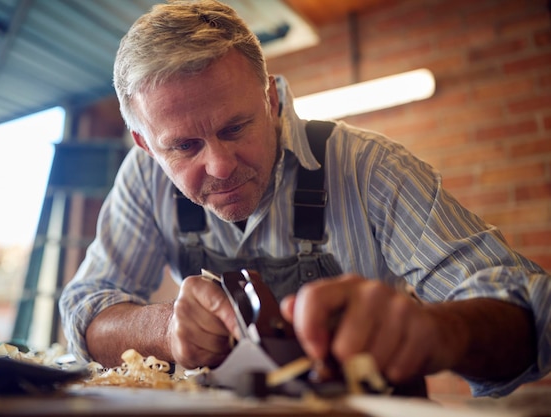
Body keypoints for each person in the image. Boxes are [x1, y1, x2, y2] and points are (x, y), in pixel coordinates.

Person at [59, 0, 551, 397]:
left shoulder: (368, 167)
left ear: (271, 99)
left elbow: (533, 313)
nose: (220, 165)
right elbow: (83, 309)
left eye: (236, 127)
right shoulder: (144, 177)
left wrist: (439, 332)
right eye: (184, 146)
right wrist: (164, 330)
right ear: (146, 144)